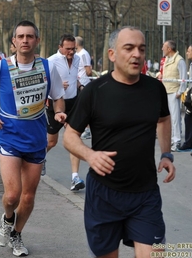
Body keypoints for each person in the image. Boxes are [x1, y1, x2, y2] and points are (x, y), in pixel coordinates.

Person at [63, 26, 175, 258]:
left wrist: (167, 154)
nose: (137, 54)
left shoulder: (155, 88)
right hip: (104, 194)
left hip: (145, 194)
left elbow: (163, 119)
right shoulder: (95, 91)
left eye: (141, 49)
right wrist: (90, 155)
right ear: (112, 54)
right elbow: (70, 135)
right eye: (129, 48)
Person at [0, 20, 66, 257]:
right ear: (14, 42)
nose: (25, 40)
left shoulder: (48, 67)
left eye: (30, 36)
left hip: (36, 138)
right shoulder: (0, 68)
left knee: (28, 197)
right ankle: (7, 220)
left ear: (37, 41)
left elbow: (58, 96)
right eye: (21, 36)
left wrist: (59, 111)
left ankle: (16, 235)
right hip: (9, 137)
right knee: (11, 195)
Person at [46, 34, 85, 190]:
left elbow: (74, 78)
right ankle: (38, 159)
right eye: (68, 49)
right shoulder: (51, 61)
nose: (71, 52)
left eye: (73, 49)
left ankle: (75, 177)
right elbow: (43, 82)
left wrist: (82, 88)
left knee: (74, 139)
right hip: (55, 103)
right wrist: (57, 84)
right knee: (51, 142)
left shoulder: (77, 59)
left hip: (73, 103)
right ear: (60, 47)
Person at [161, 40, 187, 151]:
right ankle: (172, 139)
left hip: (174, 92)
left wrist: (180, 91)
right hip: (166, 91)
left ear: (169, 49)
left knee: (175, 118)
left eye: (164, 47)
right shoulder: (167, 59)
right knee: (169, 118)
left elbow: (183, 78)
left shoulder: (179, 60)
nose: (162, 49)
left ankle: (176, 141)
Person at [75, 36, 93, 139]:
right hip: (78, 83)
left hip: (84, 83)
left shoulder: (84, 54)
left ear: (76, 44)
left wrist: (88, 80)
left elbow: (88, 70)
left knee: (85, 107)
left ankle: (88, 130)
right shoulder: (77, 54)